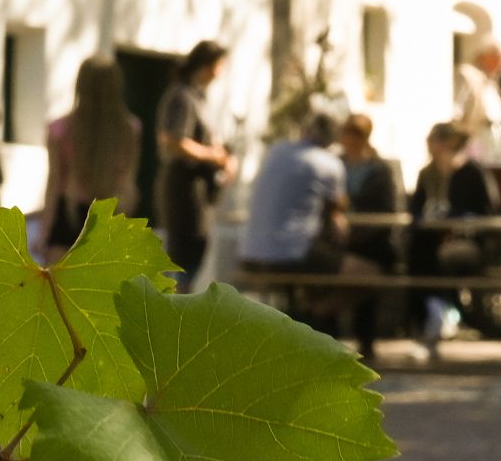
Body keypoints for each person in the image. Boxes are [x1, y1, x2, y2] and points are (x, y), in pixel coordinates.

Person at [238, 110, 358, 338]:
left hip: (251, 250)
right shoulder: (329, 164)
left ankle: (306, 317)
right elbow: (339, 206)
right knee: (371, 275)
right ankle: (315, 314)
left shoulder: (276, 151)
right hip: (293, 253)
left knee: (318, 271)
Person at [407, 122, 496, 354]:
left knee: (441, 256)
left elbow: (486, 211)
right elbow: (416, 209)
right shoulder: (427, 173)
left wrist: (456, 223)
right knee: (417, 249)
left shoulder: (472, 172)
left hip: (467, 239)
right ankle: (430, 313)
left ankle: (441, 313)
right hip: (431, 237)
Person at [44, 55, 142, 251]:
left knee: (61, 280)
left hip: (68, 213)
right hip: (112, 212)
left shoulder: (60, 129)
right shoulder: (130, 129)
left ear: (80, 85)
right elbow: (128, 181)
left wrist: (45, 230)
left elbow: (55, 181)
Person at [154, 41, 234, 280]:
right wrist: (215, 156)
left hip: (199, 192)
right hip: (184, 189)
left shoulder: (197, 97)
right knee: (181, 261)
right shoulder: (182, 96)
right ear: (210, 66)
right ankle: (176, 313)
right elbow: (173, 140)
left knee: (195, 255)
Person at [335, 113, 404, 357]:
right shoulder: (336, 164)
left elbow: (386, 210)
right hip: (339, 241)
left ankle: (366, 340)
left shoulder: (380, 170)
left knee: (366, 282)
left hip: (371, 241)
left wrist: (359, 232)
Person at [455, 39, 501, 156]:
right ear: (485, 56)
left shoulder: (491, 80)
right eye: (498, 57)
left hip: (493, 135)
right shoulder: (467, 74)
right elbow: (458, 109)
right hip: (476, 136)